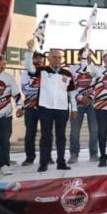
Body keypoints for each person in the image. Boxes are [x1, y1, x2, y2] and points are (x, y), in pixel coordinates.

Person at [27, 39, 76, 172]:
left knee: (61, 136)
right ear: (48, 58)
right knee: (45, 136)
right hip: (45, 108)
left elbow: (71, 93)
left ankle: (61, 162)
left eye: (59, 57)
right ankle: (43, 163)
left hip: (62, 109)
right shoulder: (42, 70)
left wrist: (74, 109)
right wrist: (30, 51)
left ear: (62, 59)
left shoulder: (67, 73)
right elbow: (29, 68)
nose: (57, 59)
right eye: (54, 57)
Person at [69, 50, 100, 164]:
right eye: (84, 55)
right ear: (79, 56)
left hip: (92, 103)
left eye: (89, 55)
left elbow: (99, 85)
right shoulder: (72, 69)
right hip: (77, 103)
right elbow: (70, 86)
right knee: (75, 130)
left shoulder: (95, 69)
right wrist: (80, 97)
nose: (87, 56)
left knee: (94, 130)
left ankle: (94, 153)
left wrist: (90, 97)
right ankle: (74, 154)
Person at [18, 50, 45, 167]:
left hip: (45, 107)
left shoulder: (46, 71)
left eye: (41, 58)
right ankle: (29, 157)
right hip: (30, 107)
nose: (39, 60)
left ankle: (47, 157)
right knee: (30, 134)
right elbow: (25, 90)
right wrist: (41, 90)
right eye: (36, 58)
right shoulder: (26, 73)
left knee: (47, 134)